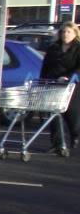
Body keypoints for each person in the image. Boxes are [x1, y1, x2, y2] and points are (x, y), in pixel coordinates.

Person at [39, 21, 80, 150]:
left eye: (68, 32)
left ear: (75, 33)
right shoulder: (54, 48)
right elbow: (46, 66)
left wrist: (68, 77)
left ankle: (75, 136)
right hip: (53, 84)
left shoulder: (78, 48)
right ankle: (57, 144)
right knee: (54, 115)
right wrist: (43, 81)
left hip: (71, 85)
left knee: (71, 114)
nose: (65, 34)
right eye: (63, 32)